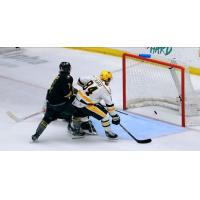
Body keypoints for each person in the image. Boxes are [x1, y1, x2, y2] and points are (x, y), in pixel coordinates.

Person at [31, 62, 90, 142]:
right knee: (77, 110)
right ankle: (76, 131)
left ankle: (36, 135)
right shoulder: (68, 77)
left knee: (46, 119)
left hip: (50, 103)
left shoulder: (58, 77)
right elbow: (67, 94)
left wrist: (76, 91)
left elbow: (60, 88)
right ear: (69, 69)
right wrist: (75, 93)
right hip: (60, 105)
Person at [70, 70, 120, 139]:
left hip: (76, 100)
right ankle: (108, 132)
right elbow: (110, 106)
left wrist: (87, 91)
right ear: (108, 79)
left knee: (80, 114)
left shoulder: (94, 77)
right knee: (105, 117)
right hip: (85, 105)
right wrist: (115, 117)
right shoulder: (106, 89)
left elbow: (79, 81)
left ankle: (75, 127)